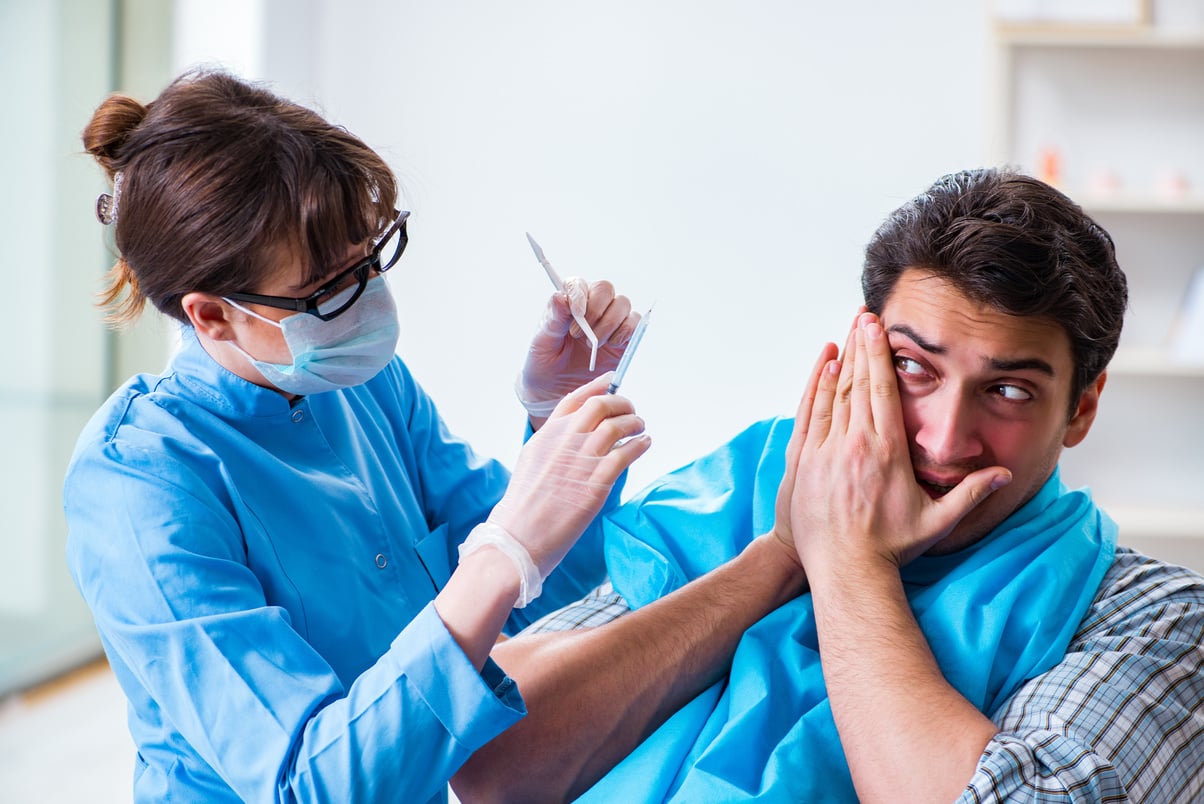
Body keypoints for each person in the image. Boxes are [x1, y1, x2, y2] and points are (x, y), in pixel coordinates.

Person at [453, 168, 1204, 802]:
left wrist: (848, 561)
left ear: (1083, 408)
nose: (944, 439)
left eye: (1008, 391)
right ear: (860, 355)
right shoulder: (746, 496)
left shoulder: (1150, 619)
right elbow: (489, 759)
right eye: (915, 369)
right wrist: (783, 552)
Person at [63, 69, 652, 803]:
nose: (369, 295)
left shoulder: (365, 385)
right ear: (211, 316)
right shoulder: (139, 482)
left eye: (369, 256)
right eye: (327, 288)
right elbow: (309, 784)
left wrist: (557, 424)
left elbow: (537, 585)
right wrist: (499, 560)